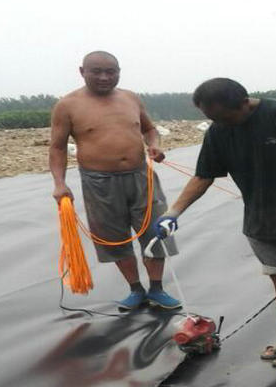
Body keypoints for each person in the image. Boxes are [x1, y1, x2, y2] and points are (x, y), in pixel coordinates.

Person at [153, 78, 276, 368]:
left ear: (244, 103)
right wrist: (173, 212)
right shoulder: (219, 130)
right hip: (261, 218)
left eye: (224, 116)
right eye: (212, 118)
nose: (220, 123)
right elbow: (204, 175)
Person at [49, 50, 181, 311]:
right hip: (99, 182)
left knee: (155, 231)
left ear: (119, 72)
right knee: (113, 237)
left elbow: (149, 129)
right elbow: (57, 147)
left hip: (141, 176)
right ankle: (135, 289)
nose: (104, 77)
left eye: (111, 72)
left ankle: (157, 288)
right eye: (96, 71)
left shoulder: (130, 98)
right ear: (82, 72)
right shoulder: (67, 105)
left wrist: (154, 145)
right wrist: (59, 183)